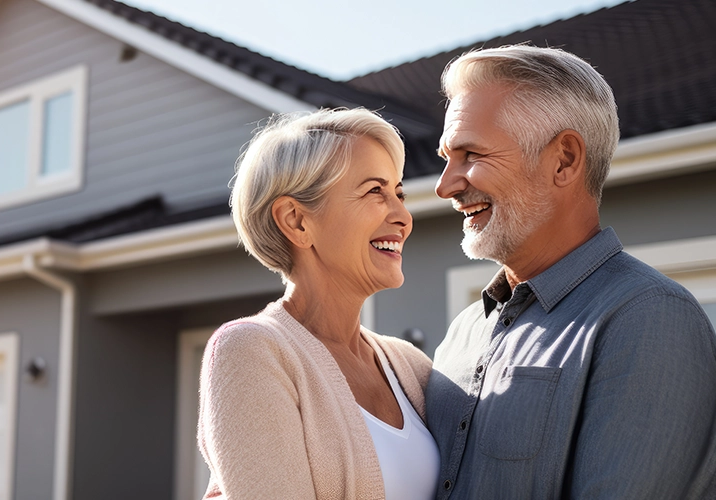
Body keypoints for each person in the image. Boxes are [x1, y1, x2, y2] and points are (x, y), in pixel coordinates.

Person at [428, 44, 716, 499]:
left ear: (563, 159)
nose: (446, 185)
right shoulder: (462, 333)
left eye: (470, 155)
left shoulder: (649, 319)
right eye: (447, 157)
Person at [197, 108, 439, 499]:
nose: (403, 216)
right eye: (375, 191)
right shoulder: (252, 353)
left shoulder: (410, 365)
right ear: (296, 221)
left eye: (399, 193)